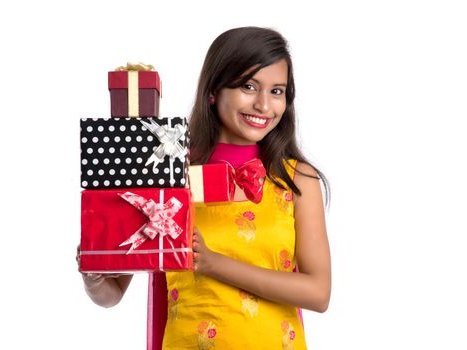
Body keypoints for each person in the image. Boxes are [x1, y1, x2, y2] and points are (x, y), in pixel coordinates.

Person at [79, 26, 331, 350]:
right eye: (248, 86)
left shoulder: (296, 179)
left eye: (277, 91)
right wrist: (94, 274)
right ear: (213, 91)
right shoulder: (170, 174)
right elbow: (111, 294)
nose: (263, 105)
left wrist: (214, 263)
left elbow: (318, 292)